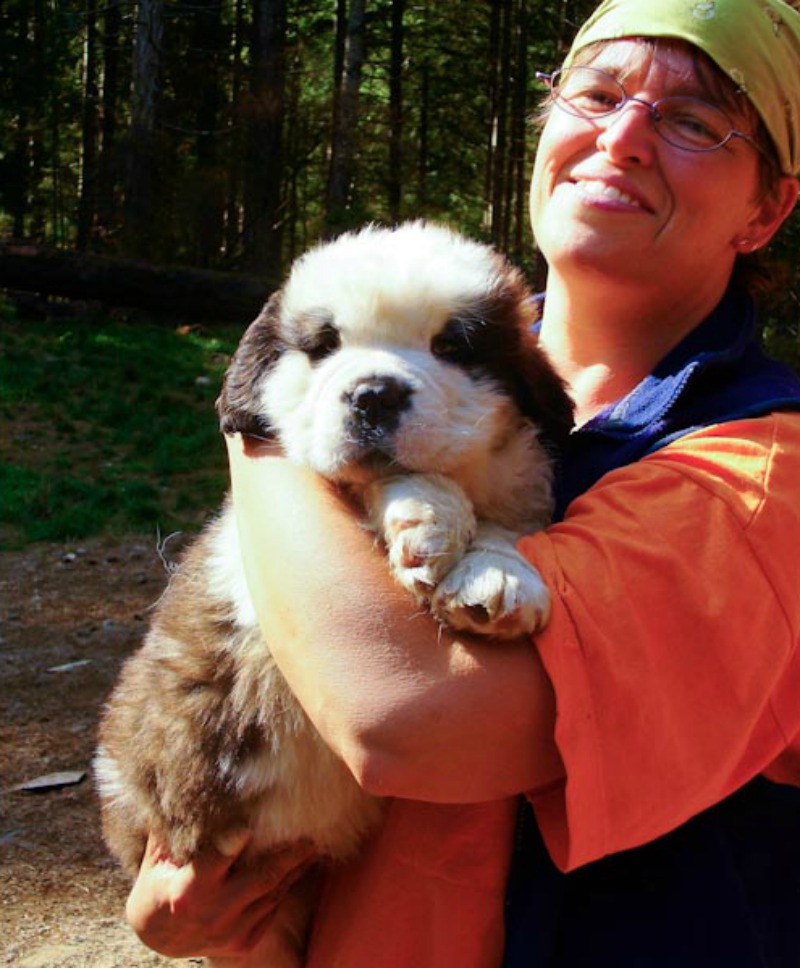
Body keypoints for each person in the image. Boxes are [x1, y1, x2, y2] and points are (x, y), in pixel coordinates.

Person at [125, 0, 800, 964]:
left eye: (693, 121)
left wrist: (269, 413)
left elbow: (402, 722)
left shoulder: (761, 471)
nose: (623, 137)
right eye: (596, 94)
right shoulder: (453, 331)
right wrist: (186, 883)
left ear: (767, 209)